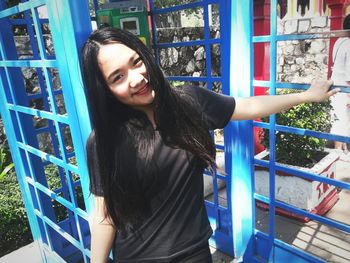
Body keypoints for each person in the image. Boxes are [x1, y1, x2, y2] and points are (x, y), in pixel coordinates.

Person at [81, 27, 337, 263]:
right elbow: (105, 215)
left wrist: (305, 96)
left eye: (136, 62)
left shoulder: (190, 102)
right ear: (106, 90)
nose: (136, 78)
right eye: (118, 77)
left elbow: (247, 106)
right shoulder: (104, 140)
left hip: (195, 253)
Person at [330, 14, 350, 152]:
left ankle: (341, 149)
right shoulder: (349, 43)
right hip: (345, 87)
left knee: (339, 118)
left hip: (335, 84)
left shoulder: (339, 41)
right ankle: (339, 150)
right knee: (343, 120)